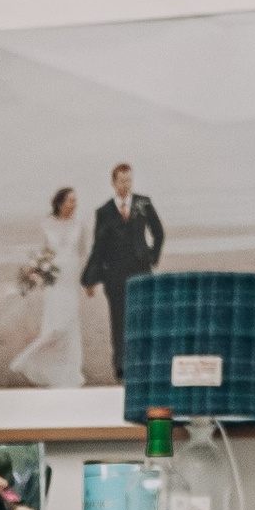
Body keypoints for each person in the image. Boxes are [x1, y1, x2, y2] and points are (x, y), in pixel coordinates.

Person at [82, 163, 165, 388]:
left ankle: (145, 364)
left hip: (141, 272)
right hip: (115, 276)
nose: (126, 185)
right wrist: (90, 279)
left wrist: (152, 256)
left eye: (129, 180)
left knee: (144, 319)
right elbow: (98, 247)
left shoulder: (143, 203)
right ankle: (121, 369)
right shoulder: (104, 211)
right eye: (122, 181)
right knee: (118, 323)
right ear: (113, 182)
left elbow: (158, 232)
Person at [10, 184, 90, 386]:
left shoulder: (80, 225)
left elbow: (84, 254)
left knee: (69, 325)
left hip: (70, 280)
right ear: (61, 203)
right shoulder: (46, 224)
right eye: (71, 200)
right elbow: (41, 252)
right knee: (54, 326)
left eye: (76, 200)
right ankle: (30, 361)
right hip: (53, 282)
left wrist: (88, 280)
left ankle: (69, 371)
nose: (74, 204)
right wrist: (34, 269)